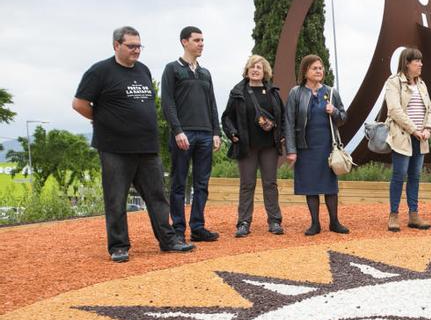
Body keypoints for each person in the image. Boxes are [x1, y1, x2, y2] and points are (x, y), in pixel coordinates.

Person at [73, 26, 194, 263]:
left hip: (147, 147)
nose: (136, 50)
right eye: (131, 46)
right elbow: (79, 104)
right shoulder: (100, 71)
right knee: (116, 199)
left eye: (139, 46)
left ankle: (168, 241)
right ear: (116, 45)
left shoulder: (143, 70)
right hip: (115, 148)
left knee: (157, 196)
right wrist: (103, 120)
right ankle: (119, 246)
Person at [161, 26, 222, 243]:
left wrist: (217, 131)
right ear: (184, 42)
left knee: (202, 184)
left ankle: (198, 227)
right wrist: (177, 131)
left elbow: (212, 104)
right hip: (183, 135)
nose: (201, 44)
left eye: (203, 40)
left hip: (206, 134)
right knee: (178, 182)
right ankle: (178, 229)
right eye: (197, 40)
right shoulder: (172, 69)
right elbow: (167, 104)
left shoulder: (205, 73)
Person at [283, 55, 349, 236]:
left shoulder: (331, 92)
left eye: (321, 68)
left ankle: (334, 222)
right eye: (315, 68)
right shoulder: (296, 93)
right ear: (305, 72)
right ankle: (315, 224)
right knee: (310, 186)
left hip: (327, 147)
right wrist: (291, 150)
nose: (319, 71)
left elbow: (343, 118)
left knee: (330, 186)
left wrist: (334, 111)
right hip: (305, 148)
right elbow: (288, 122)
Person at [221, 55, 285, 238]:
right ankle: (243, 222)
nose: (255, 70)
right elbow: (227, 117)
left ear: (265, 71)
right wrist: (232, 132)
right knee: (247, 184)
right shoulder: (238, 92)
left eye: (259, 67)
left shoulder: (272, 92)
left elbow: (282, 116)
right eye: (252, 67)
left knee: (270, 183)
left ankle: (274, 221)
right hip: (246, 146)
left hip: (269, 147)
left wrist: (281, 136)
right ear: (247, 70)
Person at [383, 47, 431, 232]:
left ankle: (414, 215)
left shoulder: (422, 84)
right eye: (417, 61)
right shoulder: (393, 82)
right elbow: (394, 110)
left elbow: (430, 109)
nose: (421, 64)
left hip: (420, 137)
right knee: (399, 175)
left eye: (421, 61)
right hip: (403, 136)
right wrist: (414, 130)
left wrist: (427, 129)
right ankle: (394, 215)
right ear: (407, 63)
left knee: (415, 176)